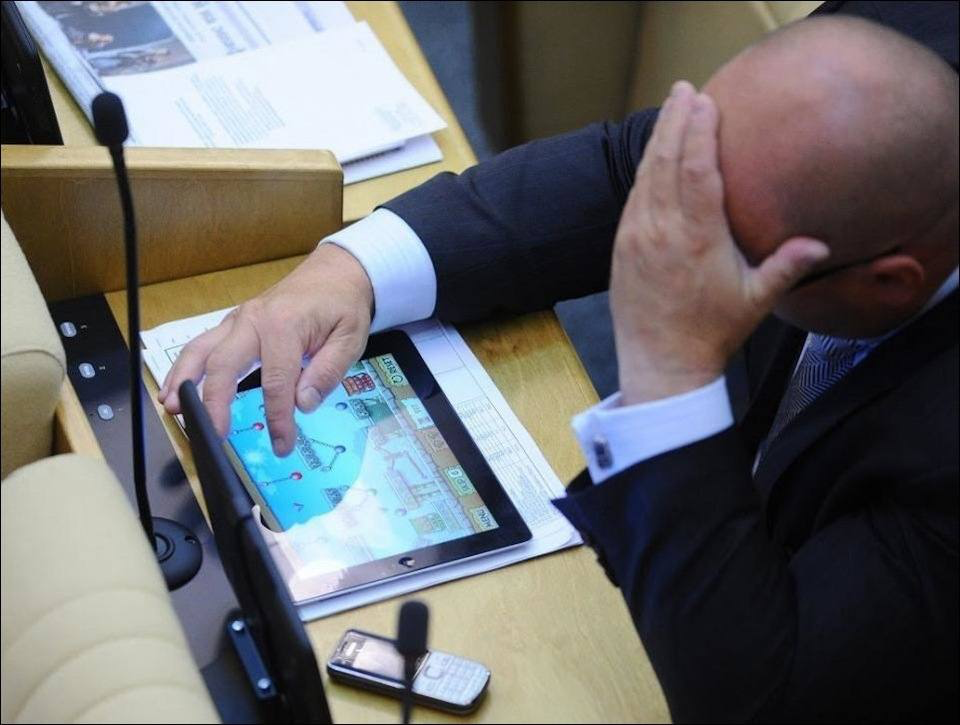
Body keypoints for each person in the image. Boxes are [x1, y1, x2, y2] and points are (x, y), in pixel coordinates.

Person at [160, 8, 959, 723]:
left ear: (891, 281)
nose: (668, 241)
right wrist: (353, 270)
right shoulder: (900, 35)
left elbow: (763, 699)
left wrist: (669, 371)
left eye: (716, 251)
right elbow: (629, 168)